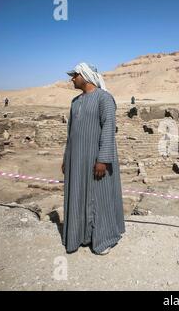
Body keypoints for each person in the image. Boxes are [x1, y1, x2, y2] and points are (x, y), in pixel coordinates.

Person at [62, 62, 125, 255]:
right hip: (77, 159)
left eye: (75, 75)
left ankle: (104, 238)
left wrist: (103, 159)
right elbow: (70, 133)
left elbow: (108, 130)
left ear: (85, 76)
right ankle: (80, 236)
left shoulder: (104, 99)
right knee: (78, 194)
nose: (72, 78)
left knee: (100, 196)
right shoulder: (75, 102)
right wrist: (66, 158)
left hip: (97, 160)